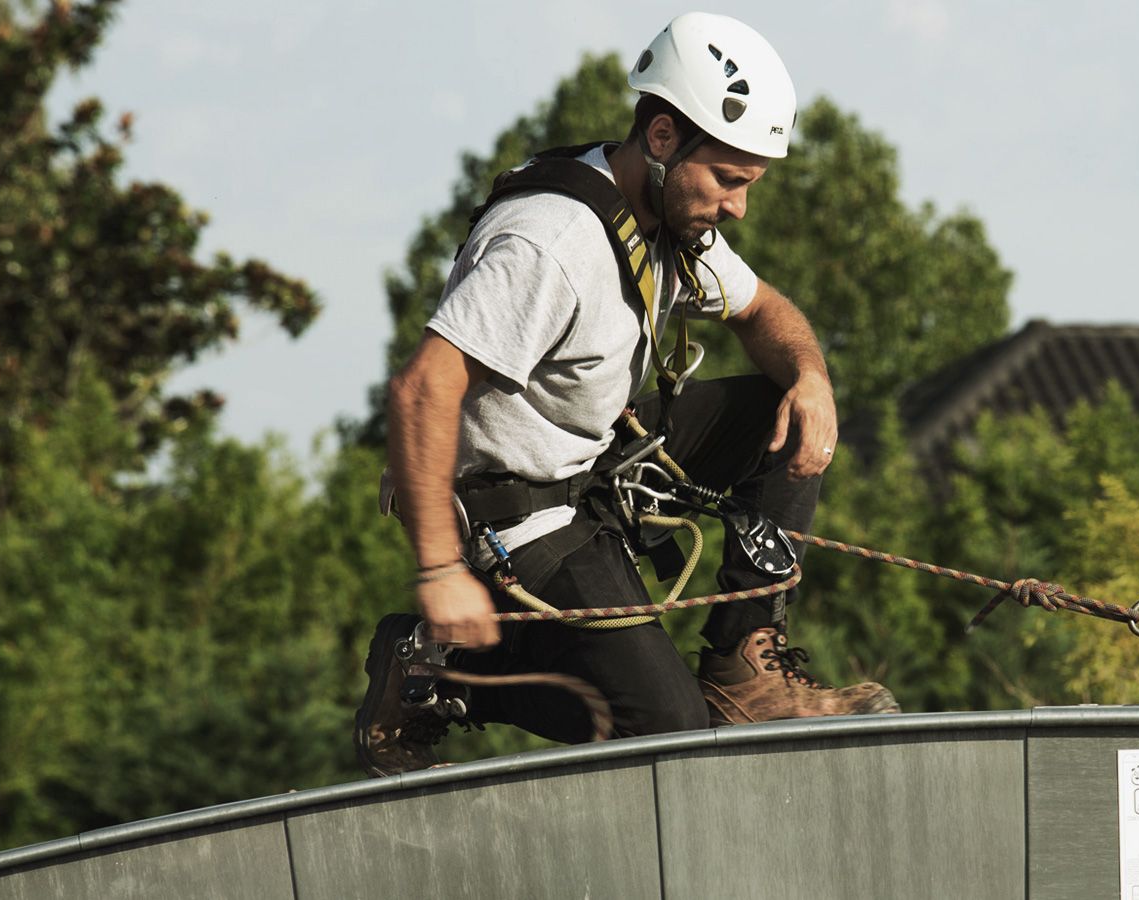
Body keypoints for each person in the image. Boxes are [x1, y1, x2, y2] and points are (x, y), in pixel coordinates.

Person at [355, 12, 896, 777]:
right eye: (730, 180)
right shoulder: (548, 243)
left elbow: (763, 311)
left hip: (597, 466)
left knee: (783, 411)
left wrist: (813, 379)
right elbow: (422, 389)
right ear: (665, 137)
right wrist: (441, 571)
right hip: (518, 510)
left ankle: (746, 666)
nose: (739, 205)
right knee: (665, 727)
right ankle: (435, 676)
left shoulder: (664, 214)